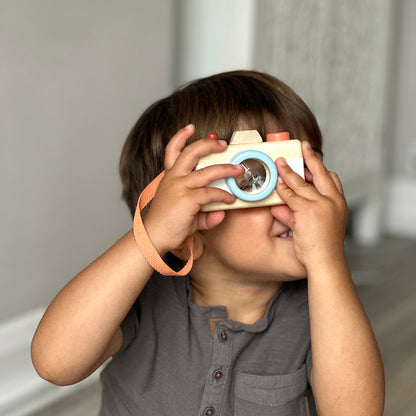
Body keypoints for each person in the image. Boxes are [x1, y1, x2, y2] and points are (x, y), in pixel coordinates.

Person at [31, 70, 385, 415]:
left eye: (303, 171)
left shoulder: (323, 307)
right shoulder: (141, 296)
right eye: (254, 177)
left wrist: (327, 262)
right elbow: (55, 363)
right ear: (190, 219)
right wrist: (150, 237)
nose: (293, 198)